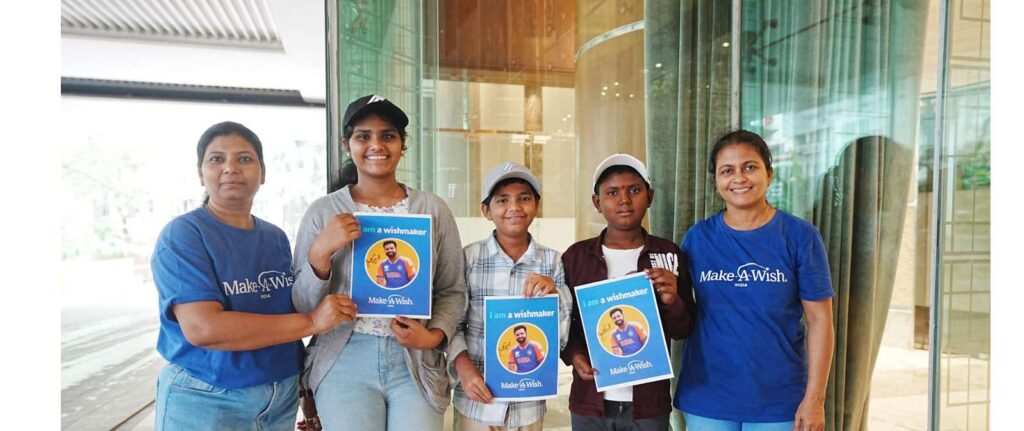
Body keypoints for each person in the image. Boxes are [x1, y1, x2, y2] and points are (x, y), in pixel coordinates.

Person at [151, 121, 356, 430]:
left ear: (263, 172)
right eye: (217, 159)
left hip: (279, 399)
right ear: (200, 173)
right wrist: (313, 322)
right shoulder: (184, 235)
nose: (231, 168)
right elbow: (204, 328)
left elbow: (280, 323)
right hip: (207, 399)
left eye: (244, 158)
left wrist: (308, 401)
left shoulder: (274, 238)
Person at [290, 95, 466, 431]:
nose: (376, 145)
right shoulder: (323, 212)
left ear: (403, 145)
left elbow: (452, 289)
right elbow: (302, 306)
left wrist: (432, 337)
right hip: (344, 359)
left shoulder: (432, 209)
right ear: (347, 145)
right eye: (363, 136)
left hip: (414, 359)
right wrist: (319, 255)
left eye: (388, 135)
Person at [673, 130, 835, 431]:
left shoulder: (799, 237)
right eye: (727, 171)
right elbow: (680, 313)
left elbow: (820, 321)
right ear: (717, 181)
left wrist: (815, 399)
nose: (739, 178)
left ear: (769, 174)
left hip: (780, 399)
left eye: (750, 167)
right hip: (707, 396)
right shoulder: (698, 238)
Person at [560, 153, 697, 431]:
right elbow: (567, 324)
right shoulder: (576, 257)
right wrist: (575, 357)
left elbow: (684, 329)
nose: (624, 200)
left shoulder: (668, 254)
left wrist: (672, 300)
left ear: (650, 196)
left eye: (634, 190)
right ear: (597, 202)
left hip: (648, 403)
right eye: (612, 193)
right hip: (591, 400)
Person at [447, 161, 572, 431]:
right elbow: (452, 324)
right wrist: (464, 370)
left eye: (524, 198)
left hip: (528, 406)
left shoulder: (552, 262)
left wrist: (555, 294)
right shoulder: (468, 259)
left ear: (536, 205)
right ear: (486, 210)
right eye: (502, 200)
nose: (514, 207)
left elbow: (560, 336)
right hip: (476, 403)